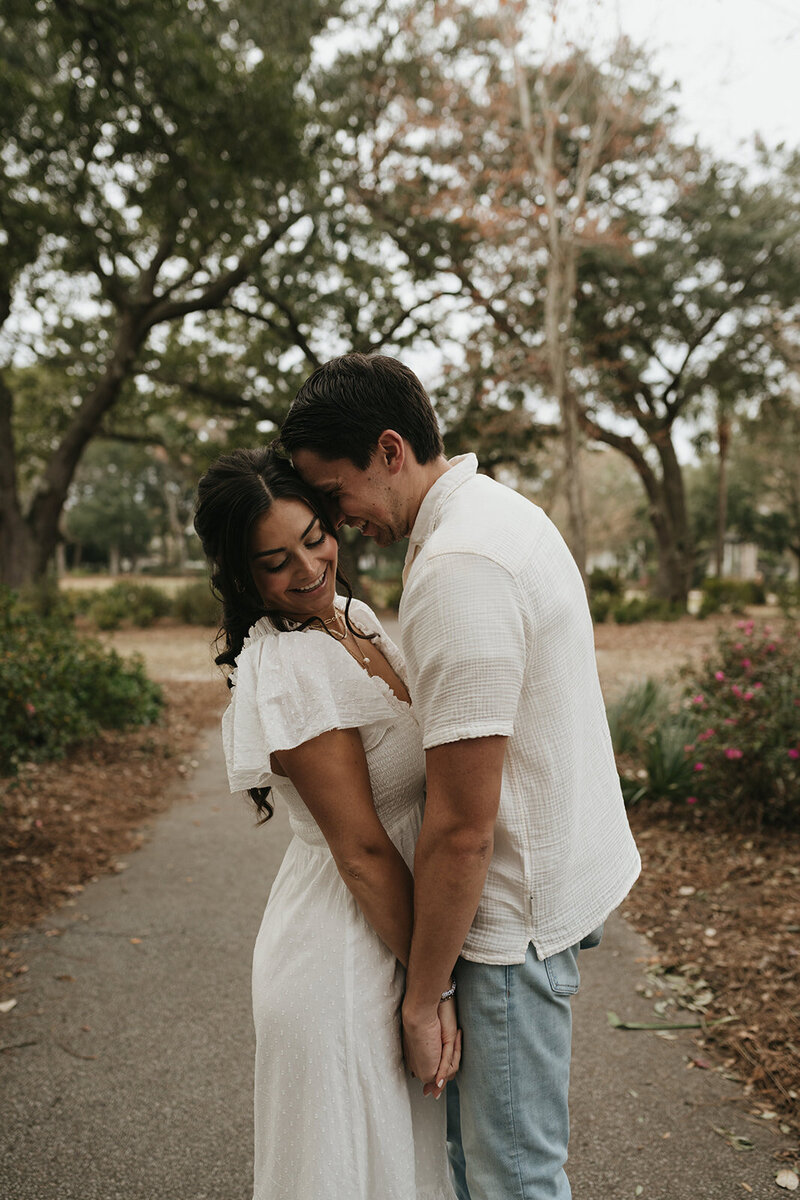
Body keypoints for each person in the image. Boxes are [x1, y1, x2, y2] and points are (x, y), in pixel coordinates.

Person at [280, 352, 642, 1200]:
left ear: (392, 449)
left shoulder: (459, 568)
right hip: (546, 884)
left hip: (510, 920)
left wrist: (424, 993)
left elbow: (464, 827)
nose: (335, 523)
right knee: (484, 1169)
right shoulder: (492, 513)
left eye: (335, 494)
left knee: (511, 1179)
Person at [193, 447, 459, 1200]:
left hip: (395, 938)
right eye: (276, 561)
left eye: (315, 536)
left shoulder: (355, 620)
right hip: (342, 962)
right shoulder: (289, 667)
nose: (310, 567)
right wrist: (430, 992)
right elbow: (364, 852)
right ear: (243, 576)